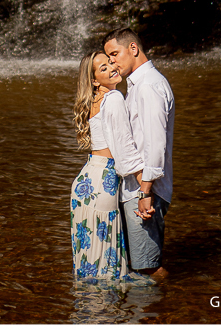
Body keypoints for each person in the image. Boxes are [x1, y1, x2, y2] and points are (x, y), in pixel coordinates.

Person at [103, 28, 174, 282]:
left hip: (144, 191)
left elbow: (155, 145)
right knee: (139, 264)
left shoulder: (148, 87)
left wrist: (145, 192)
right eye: (108, 58)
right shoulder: (138, 85)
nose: (112, 62)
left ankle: (170, 300)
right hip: (138, 188)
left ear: (133, 48)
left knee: (147, 268)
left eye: (114, 54)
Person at [70, 50, 147, 283]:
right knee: (107, 264)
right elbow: (124, 150)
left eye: (110, 62)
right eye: (103, 68)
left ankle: (87, 303)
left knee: (90, 258)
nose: (112, 67)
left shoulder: (95, 100)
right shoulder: (113, 98)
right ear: (95, 81)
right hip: (103, 183)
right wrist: (145, 189)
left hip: (85, 182)